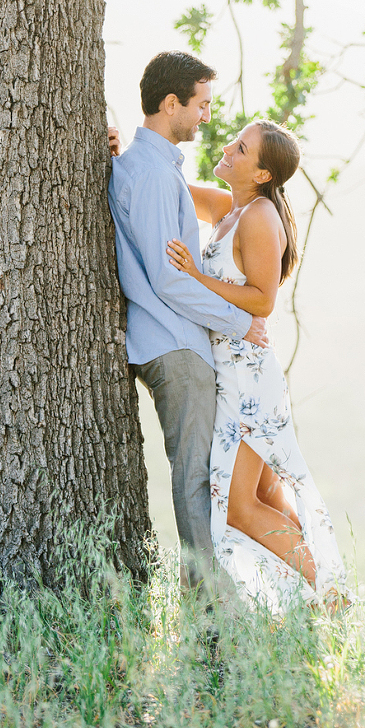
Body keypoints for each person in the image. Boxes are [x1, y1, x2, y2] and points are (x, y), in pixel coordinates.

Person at [165, 119, 350, 613]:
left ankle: (332, 593)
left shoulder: (260, 216)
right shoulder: (233, 208)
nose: (228, 147)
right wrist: (119, 154)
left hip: (248, 380)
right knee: (268, 496)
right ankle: (317, 595)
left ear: (263, 173)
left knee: (243, 508)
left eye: (241, 148)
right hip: (230, 374)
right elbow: (175, 189)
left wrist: (194, 277)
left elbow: (262, 301)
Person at [107, 51, 269, 592]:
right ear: (170, 103)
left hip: (172, 343)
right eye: (200, 105)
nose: (206, 116)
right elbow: (170, 279)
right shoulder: (153, 174)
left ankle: (217, 608)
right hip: (176, 346)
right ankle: (213, 620)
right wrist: (238, 322)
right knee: (197, 482)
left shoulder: (145, 166)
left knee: (203, 479)